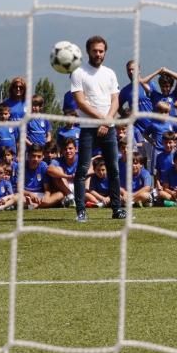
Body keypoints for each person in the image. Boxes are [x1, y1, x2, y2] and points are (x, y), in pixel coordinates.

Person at [70, 35, 125, 222]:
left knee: (114, 170)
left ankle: (117, 209)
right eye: (95, 51)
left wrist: (107, 121)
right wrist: (102, 120)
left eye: (101, 51)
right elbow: (80, 102)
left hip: (108, 128)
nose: (98, 54)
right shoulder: (78, 72)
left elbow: (116, 100)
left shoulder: (110, 73)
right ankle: (81, 211)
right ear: (88, 52)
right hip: (88, 128)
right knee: (83, 169)